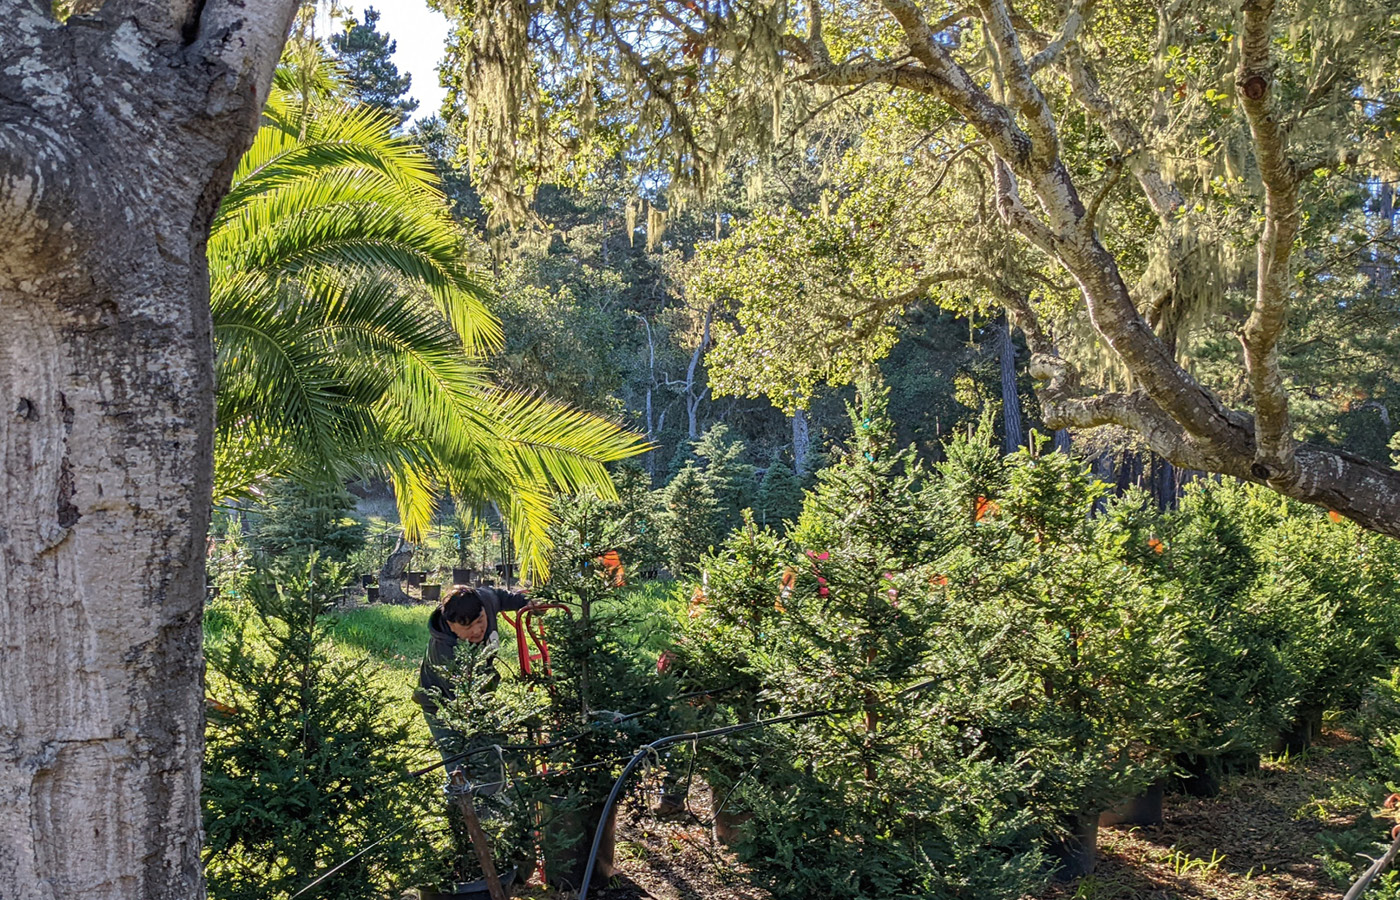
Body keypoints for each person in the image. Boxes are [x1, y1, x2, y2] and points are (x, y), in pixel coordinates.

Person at [413, 584, 531, 783]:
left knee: (489, 758)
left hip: (478, 691)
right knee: (459, 764)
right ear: (451, 625)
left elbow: (500, 597)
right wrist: (501, 728)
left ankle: (491, 797)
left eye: (481, 621)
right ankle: (462, 808)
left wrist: (526, 602)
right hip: (442, 706)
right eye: (467, 628)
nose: (478, 631)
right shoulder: (445, 654)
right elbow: (467, 706)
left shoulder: (483, 600)